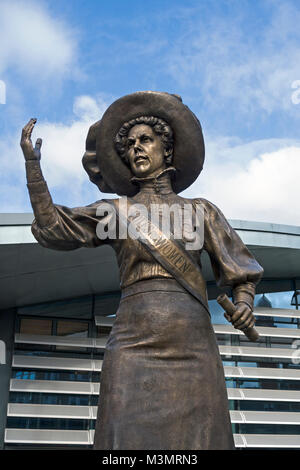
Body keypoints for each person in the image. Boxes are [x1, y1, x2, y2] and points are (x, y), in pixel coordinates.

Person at [21, 91, 263, 450]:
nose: (136, 148)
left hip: (191, 344)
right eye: (130, 144)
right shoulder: (115, 212)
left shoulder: (201, 211)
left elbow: (240, 271)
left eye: (145, 140)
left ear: (166, 149)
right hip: (133, 343)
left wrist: (244, 303)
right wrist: (33, 169)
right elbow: (55, 229)